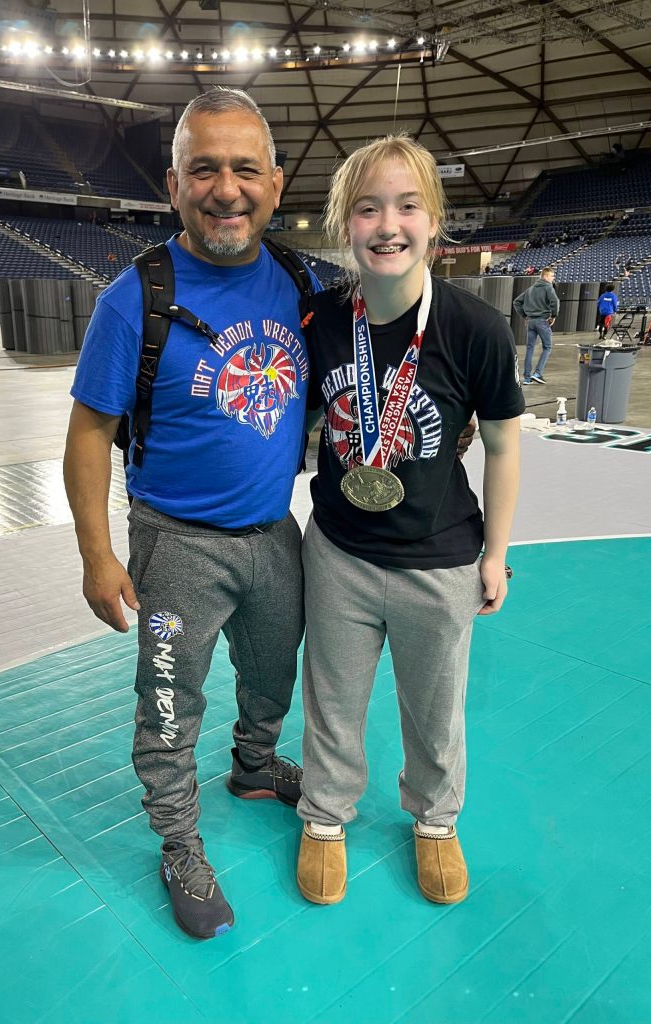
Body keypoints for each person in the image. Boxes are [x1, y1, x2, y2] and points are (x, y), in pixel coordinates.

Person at [63, 88, 319, 941]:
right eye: (203, 168)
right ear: (174, 185)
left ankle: (253, 767)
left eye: (245, 168)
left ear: (276, 185)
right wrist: (99, 557)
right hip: (176, 544)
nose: (226, 188)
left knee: (273, 675)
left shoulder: (299, 280)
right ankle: (177, 842)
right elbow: (90, 434)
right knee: (170, 702)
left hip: (276, 533)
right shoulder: (131, 299)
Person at [293, 134, 523, 907]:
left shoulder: (474, 328)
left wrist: (495, 553)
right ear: (345, 224)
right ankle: (324, 819)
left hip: (441, 561)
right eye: (367, 209)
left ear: (434, 221)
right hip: (340, 554)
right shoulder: (320, 320)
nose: (387, 224)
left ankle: (434, 821)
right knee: (332, 701)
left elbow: (502, 444)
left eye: (406, 205)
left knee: (435, 711)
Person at [513, 267, 559, 384]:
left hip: (531, 322)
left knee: (530, 348)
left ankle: (527, 378)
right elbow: (555, 302)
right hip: (542, 321)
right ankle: (538, 373)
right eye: (552, 276)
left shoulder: (530, 289)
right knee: (547, 347)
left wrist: (525, 316)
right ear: (546, 276)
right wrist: (553, 316)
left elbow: (516, 302)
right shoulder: (548, 288)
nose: (553, 278)